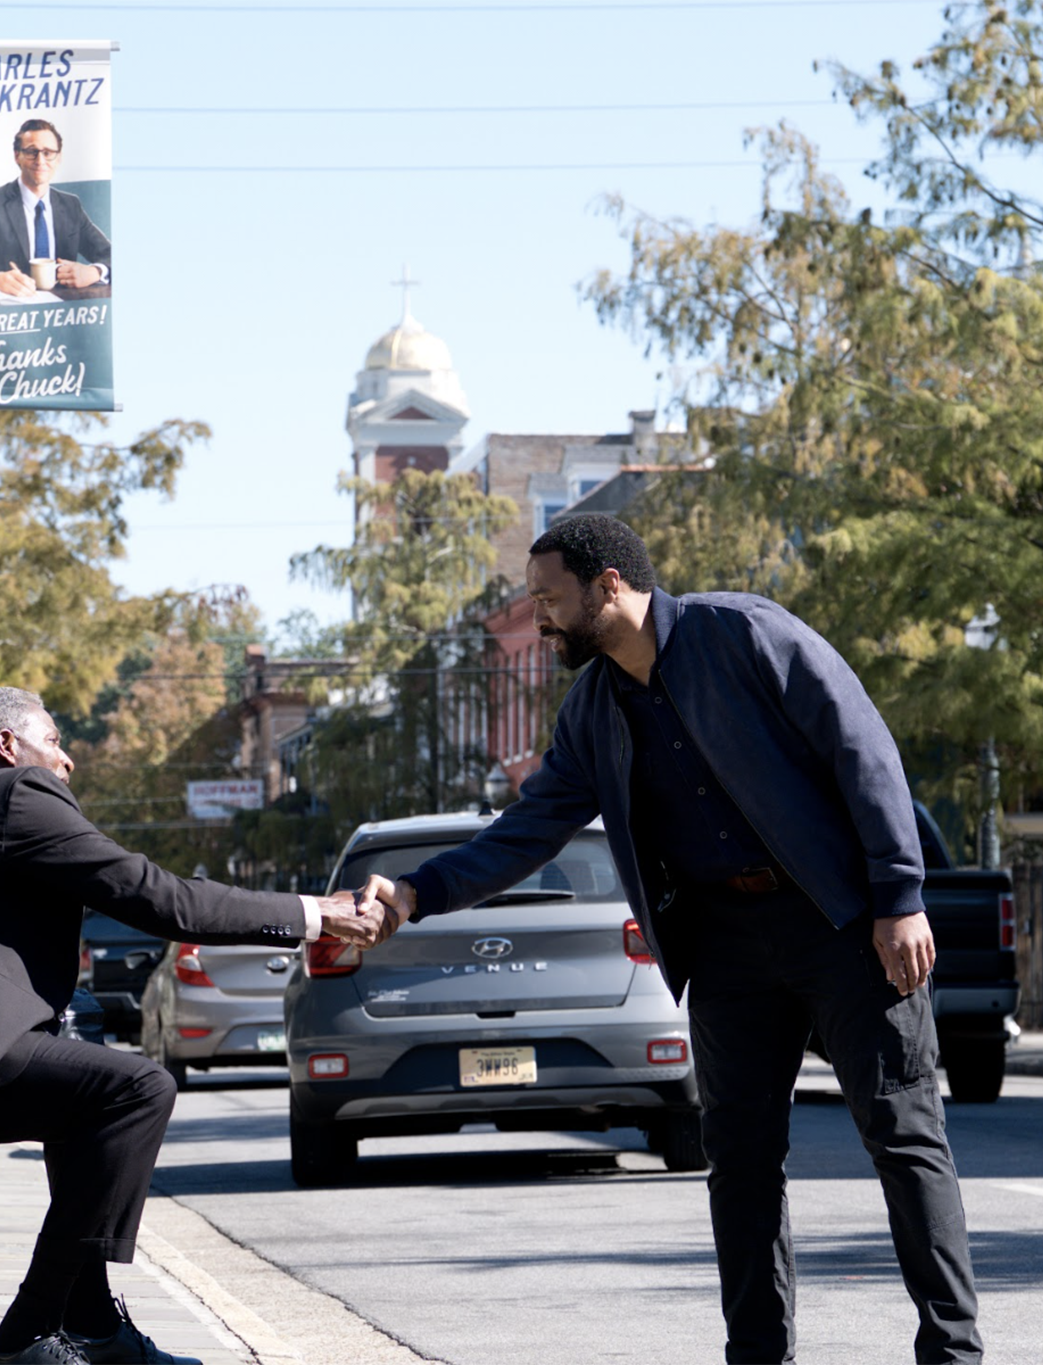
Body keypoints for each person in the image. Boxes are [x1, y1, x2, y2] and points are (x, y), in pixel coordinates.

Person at [358, 515, 983, 1365]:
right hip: (725, 946)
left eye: (548, 598)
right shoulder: (591, 710)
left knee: (903, 1137)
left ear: (608, 583)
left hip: (840, 924)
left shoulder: (746, 633)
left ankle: (952, 1352)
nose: (538, 618)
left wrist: (898, 896)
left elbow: (861, 747)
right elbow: (526, 829)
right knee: (740, 1160)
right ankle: (757, 1355)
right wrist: (413, 891)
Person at [0, 687, 382, 1365]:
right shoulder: (13, 794)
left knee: (81, 1089)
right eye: (53, 740)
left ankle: (93, 1326)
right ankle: (22, 1336)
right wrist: (314, 913)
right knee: (136, 1089)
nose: (67, 759)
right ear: (7, 747)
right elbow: (154, 895)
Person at [0, 118, 112, 297]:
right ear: (17, 156)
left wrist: (94, 272)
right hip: (12, 312)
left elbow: (110, 255)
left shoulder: (71, 206)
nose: (40, 161)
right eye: (32, 152)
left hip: (66, 312)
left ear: (58, 158)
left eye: (48, 153)